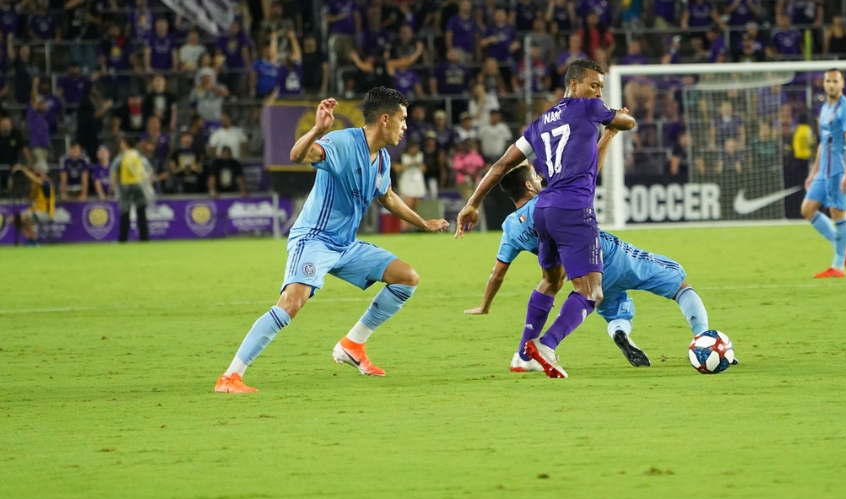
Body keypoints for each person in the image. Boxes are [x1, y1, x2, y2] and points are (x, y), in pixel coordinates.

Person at [215, 88, 450, 394]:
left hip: (345, 245)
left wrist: (422, 223)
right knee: (291, 303)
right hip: (314, 239)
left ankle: (353, 344)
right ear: (384, 119)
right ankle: (230, 377)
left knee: (406, 278)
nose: (405, 126)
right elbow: (298, 155)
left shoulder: (381, 160)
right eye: (402, 119)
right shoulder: (342, 142)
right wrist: (317, 130)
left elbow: (387, 196)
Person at [454, 60, 636, 378]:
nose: (598, 92)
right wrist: (621, 115)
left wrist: (472, 203)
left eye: (601, 88)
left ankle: (523, 354)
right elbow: (628, 122)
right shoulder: (589, 108)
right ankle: (547, 346)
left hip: (544, 210)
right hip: (574, 210)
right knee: (592, 292)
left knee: (553, 280)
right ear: (574, 85)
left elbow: (499, 166)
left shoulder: (538, 125)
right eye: (594, 85)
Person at [464, 158, 723, 371]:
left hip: (582, 273)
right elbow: (588, 168)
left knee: (612, 306)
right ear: (528, 185)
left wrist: (485, 305)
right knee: (680, 283)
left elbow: (497, 274)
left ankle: (614, 332)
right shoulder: (551, 199)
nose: (541, 178)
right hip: (608, 255)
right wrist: (608, 135)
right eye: (536, 176)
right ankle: (704, 338)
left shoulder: (510, 227)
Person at [803, 69, 846, 279]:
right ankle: (843, 247)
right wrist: (813, 172)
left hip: (838, 169)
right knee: (807, 209)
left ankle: (838, 266)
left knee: (838, 214)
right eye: (828, 81)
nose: (831, 85)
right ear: (823, 83)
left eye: (835, 81)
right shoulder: (825, 108)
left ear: (842, 83)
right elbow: (823, 142)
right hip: (823, 170)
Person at [111, 135, 151, 243]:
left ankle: (123, 239)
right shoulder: (139, 156)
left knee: (125, 213)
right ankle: (144, 238)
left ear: (125, 144)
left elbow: (114, 173)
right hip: (139, 186)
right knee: (141, 213)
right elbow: (148, 171)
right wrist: (148, 186)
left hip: (125, 187)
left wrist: (111, 188)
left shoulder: (121, 157)